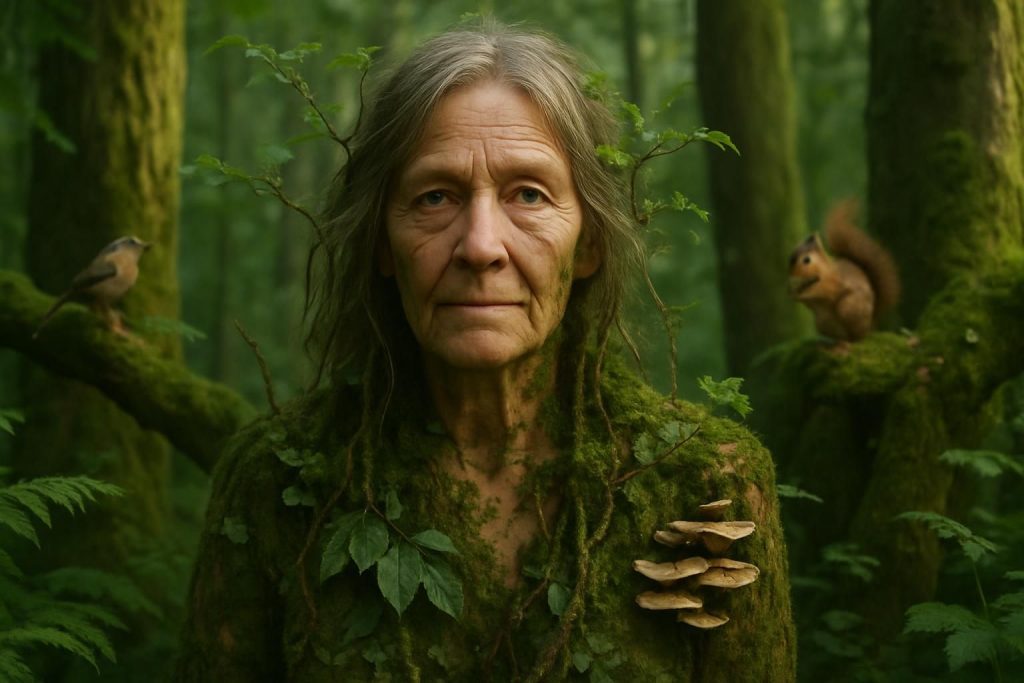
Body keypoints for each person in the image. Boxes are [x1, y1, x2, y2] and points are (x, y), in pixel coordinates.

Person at [176, 21, 795, 682]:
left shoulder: (707, 482)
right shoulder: (274, 484)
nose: (480, 245)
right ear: (382, 242)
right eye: (434, 196)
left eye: (528, 194)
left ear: (588, 244)